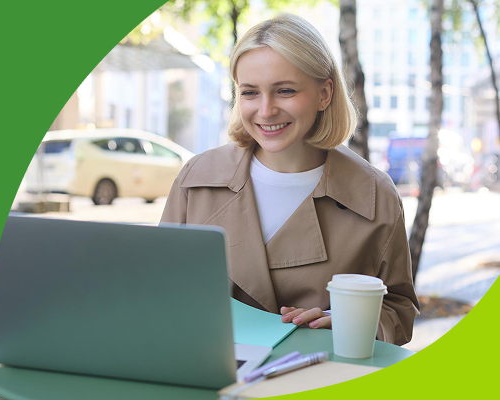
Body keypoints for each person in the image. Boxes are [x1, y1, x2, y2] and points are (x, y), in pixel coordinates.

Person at [160, 13, 419, 345]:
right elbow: (159, 289)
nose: (266, 110)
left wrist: (347, 322)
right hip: (207, 375)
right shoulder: (196, 179)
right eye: (250, 93)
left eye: (284, 90)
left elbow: (399, 310)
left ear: (324, 94)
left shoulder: (374, 195)